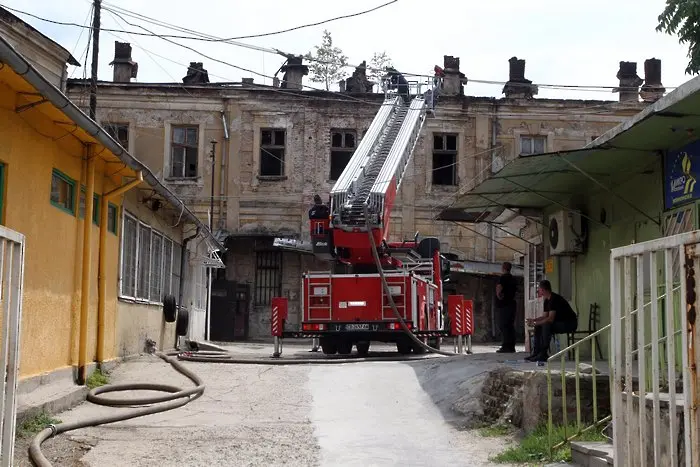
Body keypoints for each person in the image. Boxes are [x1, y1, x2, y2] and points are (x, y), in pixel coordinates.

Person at [525, 280, 578, 362]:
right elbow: (544, 316)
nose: (538, 291)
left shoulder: (555, 299)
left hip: (569, 323)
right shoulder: (547, 300)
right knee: (539, 326)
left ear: (543, 290)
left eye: (539, 289)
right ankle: (536, 353)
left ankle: (543, 354)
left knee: (546, 325)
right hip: (559, 323)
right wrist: (534, 320)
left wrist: (535, 323)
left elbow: (550, 319)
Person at [495, 261, 517, 353]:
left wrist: (499, 295)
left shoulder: (503, 278)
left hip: (504, 305)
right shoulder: (513, 279)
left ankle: (506, 346)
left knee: (503, 325)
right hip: (512, 304)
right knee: (510, 325)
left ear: (503, 268)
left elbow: (499, 288)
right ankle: (511, 346)